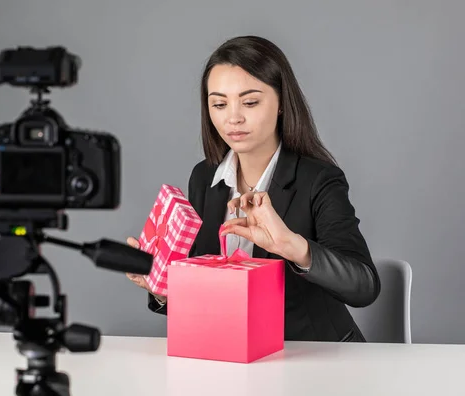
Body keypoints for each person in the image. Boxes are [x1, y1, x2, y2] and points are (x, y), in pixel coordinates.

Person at [126, 35, 381, 342]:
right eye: (219, 104)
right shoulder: (204, 177)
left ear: (281, 104)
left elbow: (365, 285)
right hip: (235, 355)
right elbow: (206, 298)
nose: (233, 117)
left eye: (250, 102)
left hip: (313, 355)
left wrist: (291, 245)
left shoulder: (319, 179)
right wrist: (162, 288)